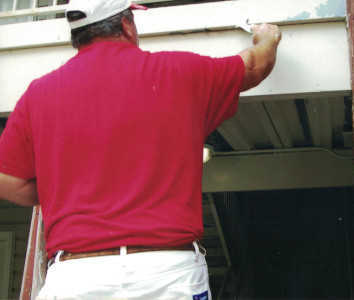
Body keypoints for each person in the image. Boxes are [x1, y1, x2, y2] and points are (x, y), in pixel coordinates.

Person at [0, 0, 281, 298]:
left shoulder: (39, 94)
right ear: (126, 25)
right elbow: (254, 65)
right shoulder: (177, 72)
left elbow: (7, 179)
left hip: (77, 277)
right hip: (168, 272)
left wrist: (64, 188)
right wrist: (268, 36)